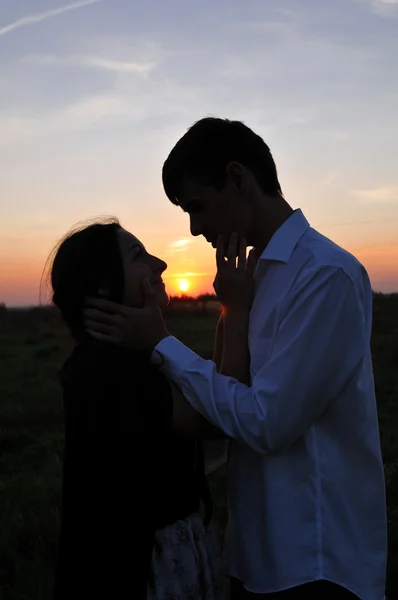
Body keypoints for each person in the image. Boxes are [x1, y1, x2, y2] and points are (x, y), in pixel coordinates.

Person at [84, 118, 387, 600]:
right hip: (253, 556)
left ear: (239, 179)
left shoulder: (327, 275)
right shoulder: (246, 282)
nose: (194, 227)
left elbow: (268, 422)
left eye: (197, 207)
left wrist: (162, 344)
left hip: (315, 561)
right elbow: (230, 401)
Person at [48, 218, 229, 599]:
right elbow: (221, 418)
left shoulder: (116, 361)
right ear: (102, 285)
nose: (159, 264)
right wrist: (238, 311)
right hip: (146, 573)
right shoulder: (110, 372)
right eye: (138, 255)